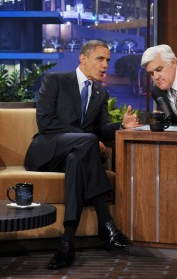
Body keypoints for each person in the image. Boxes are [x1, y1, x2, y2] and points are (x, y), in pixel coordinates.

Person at [25, 40, 141, 270]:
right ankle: (106, 223)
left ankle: (67, 242)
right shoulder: (56, 80)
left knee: (76, 159)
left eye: (108, 60)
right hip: (48, 150)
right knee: (87, 142)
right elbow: (46, 122)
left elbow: (101, 129)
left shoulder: (100, 93)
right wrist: (88, 139)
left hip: (77, 155)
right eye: (100, 59)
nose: (105, 65)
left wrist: (121, 125)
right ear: (83, 58)